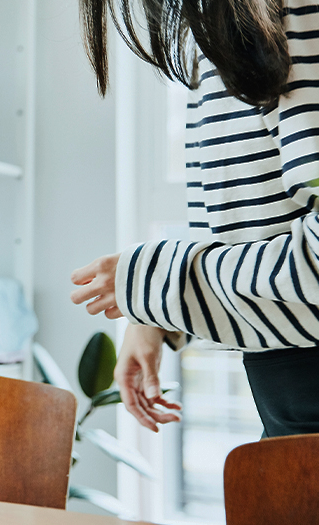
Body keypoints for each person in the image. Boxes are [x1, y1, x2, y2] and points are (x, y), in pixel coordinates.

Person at [70, 0, 319, 438]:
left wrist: (158, 283)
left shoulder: (294, 12)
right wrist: (159, 312)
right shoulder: (214, 24)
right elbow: (254, 219)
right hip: (287, 396)